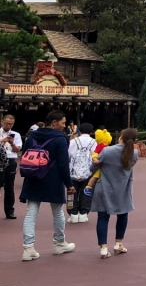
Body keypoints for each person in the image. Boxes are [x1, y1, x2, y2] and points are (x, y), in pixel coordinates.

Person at [19, 110, 76, 261]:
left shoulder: (32, 136)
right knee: (57, 211)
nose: (65, 126)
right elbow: (64, 164)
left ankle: (28, 247)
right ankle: (59, 243)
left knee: (31, 213)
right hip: (53, 178)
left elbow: (25, 154)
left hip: (33, 177)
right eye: (63, 123)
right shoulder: (60, 139)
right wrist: (68, 184)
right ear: (54, 122)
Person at [88, 128, 139, 259]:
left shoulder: (107, 151)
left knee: (103, 218)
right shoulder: (134, 153)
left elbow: (93, 167)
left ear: (120, 137)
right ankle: (118, 244)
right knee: (123, 215)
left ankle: (103, 248)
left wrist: (97, 163)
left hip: (105, 187)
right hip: (123, 188)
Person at [67, 123, 97, 222]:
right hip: (88, 171)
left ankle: (73, 214)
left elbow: (68, 155)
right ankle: (84, 213)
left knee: (71, 192)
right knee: (87, 191)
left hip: (73, 171)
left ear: (79, 131)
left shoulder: (73, 141)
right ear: (91, 132)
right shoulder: (94, 142)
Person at [2, 114, 22, 220]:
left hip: (10, 160)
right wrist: (2, 140)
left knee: (9, 186)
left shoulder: (16, 134)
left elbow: (17, 150)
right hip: (0, 159)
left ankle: (9, 211)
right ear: (2, 121)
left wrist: (12, 143)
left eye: (11, 124)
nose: (9, 126)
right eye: (7, 123)